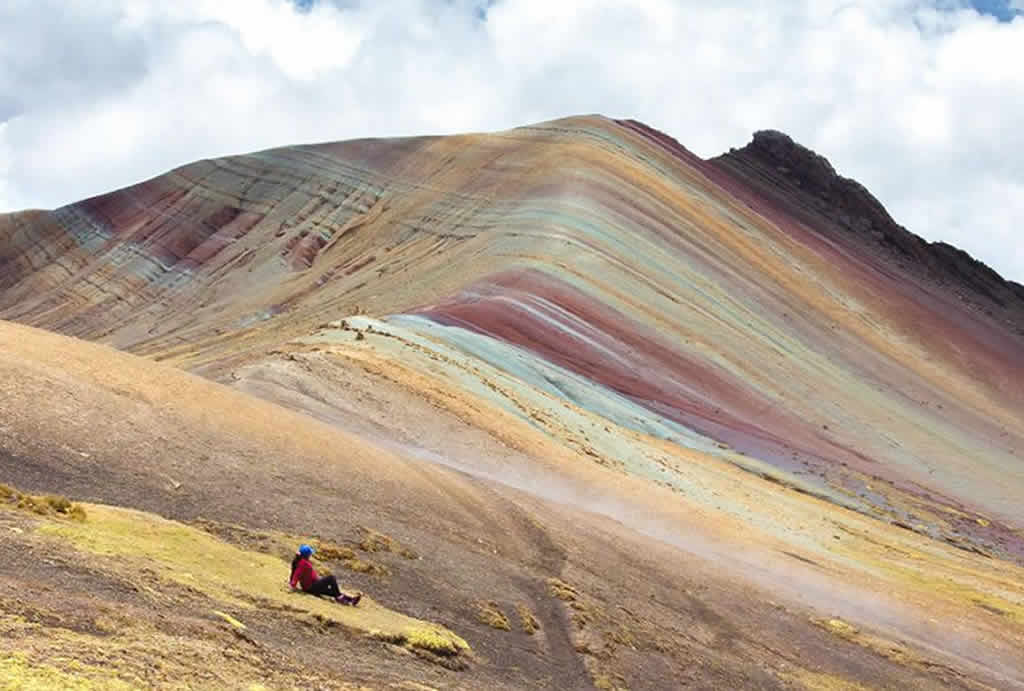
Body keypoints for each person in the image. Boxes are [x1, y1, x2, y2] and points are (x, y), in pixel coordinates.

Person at [289, 544, 361, 606]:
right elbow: (296, 574)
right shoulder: (302, 563)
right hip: (311, 587)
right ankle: (340, 598)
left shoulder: (302, 561)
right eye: (310, 554)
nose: (311, 555)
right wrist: (293, 585)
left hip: (313, 584)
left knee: (333, 592)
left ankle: (351, 600)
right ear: (307, 555)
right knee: (331, 578)